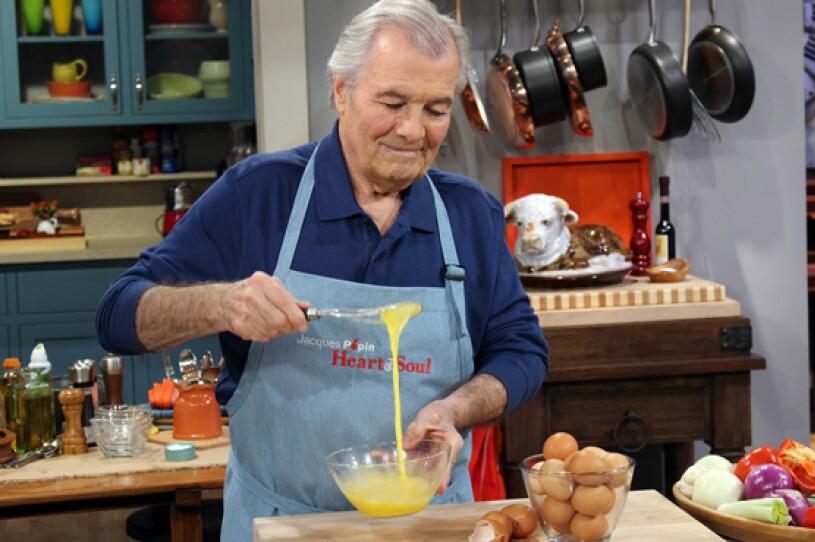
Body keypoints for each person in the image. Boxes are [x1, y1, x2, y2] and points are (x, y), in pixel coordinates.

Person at [95, 0, 548, 539]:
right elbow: (117, 316)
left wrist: (457, 408)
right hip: (283, 525)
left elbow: (522, 350)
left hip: (430, 525)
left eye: (435, 108)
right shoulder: (257, 196)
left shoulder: (469, 215)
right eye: (393, 102)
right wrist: (222, 303)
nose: (413, 130)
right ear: (340, 90)